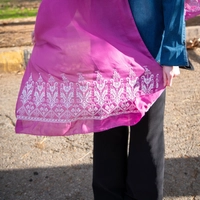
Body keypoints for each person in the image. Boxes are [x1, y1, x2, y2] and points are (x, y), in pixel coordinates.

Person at [15, 0, 199, 199]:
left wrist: (172, 52)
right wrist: (48, 24)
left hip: (142, 46)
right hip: (118, 45)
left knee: (142, 135)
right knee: (114, 133)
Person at [92, 0, 188, 200]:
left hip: (146, 54)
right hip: (107, 51)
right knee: (107, 134)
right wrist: (49, 26)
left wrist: (172, 53)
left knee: (146, 136)